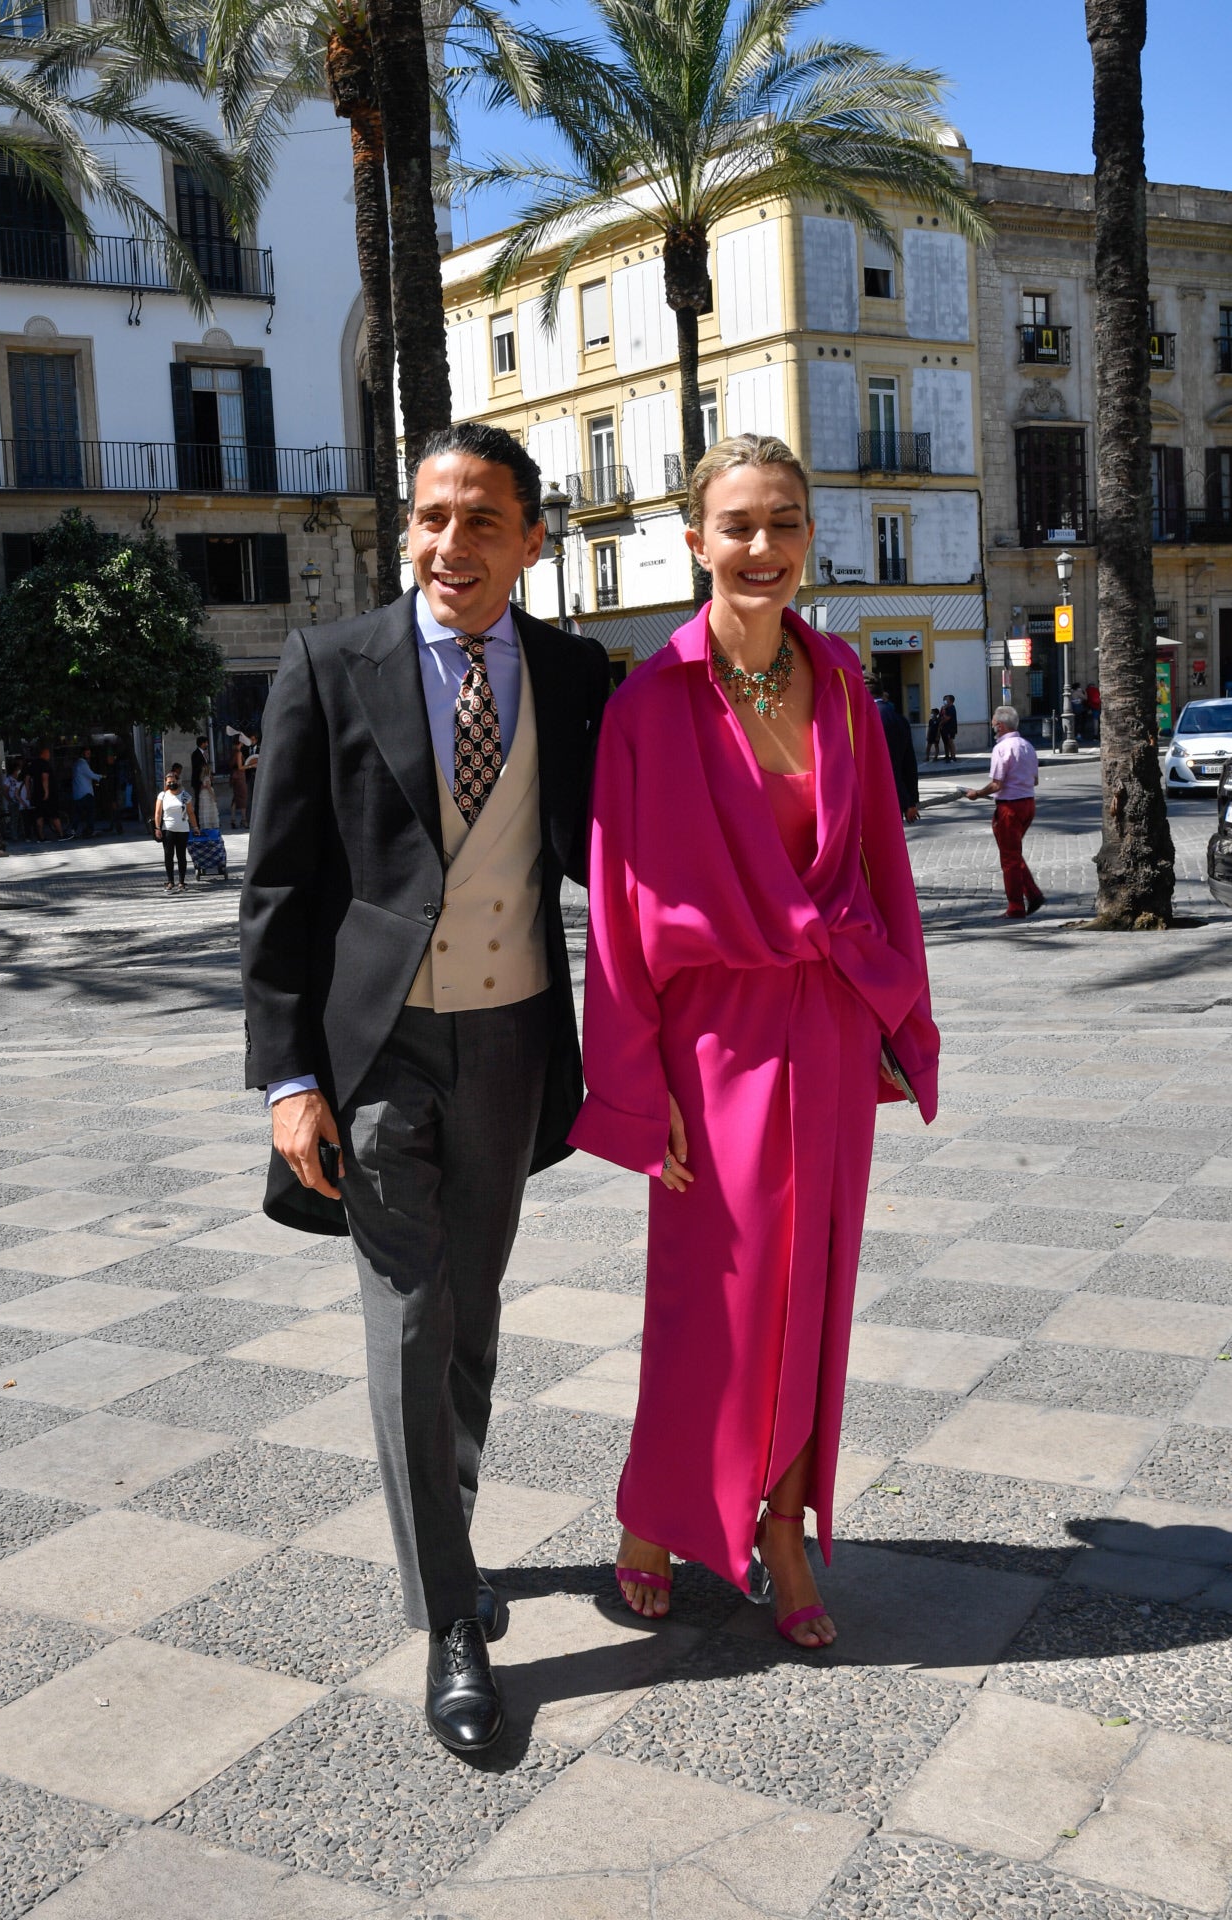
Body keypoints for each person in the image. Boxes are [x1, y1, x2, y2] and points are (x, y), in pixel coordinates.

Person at [240, 421, 611, 1755]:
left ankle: (441, 1528)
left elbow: (630, 844)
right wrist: (288, 1078)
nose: (449, 544)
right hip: (377, 1052)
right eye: (430, 517)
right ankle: (451, 1617)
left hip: (512, 1042)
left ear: (530, 539)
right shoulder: (327, 663)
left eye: (479, 520)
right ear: (407, 529)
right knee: (408, 1315)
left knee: (472, 1314)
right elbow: (277, 889)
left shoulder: (573, 675)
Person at [570, 434, 938, 1652]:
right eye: (738, 525)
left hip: (824, 1022)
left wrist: (894, 1017)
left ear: (809, 536)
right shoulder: (646, 704)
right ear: (696, 542)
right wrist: (639, 1088)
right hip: (708, 1040)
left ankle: (784, 1523)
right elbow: (617, 916)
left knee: (813, 1287)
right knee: (710, 1297)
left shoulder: (843, 687)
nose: (762, 546)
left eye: (784, 522)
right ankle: (655, 1511)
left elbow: (881, 867)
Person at [966, 705, 1045, 919]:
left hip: (1010, 807)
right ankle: (1032, 893)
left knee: (1009, 857)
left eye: (993, 723)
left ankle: (1016, 906)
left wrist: (977, 793)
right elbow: (1034, 780)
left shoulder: (1001, 748)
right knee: (1013, 852)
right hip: (1028, 803)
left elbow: (996, 784)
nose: (992, 726)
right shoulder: (1027, 746)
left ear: (1000, 725)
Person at [864, 673, 920, 822]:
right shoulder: (900, 719)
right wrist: (910, 801)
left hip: (869, 798)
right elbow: (909, 764)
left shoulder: (863, 718)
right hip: (894, 798)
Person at [154, 768, 198, 891]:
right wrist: (157, 828)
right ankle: (170, 881)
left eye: (173, 781)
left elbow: (191, 812)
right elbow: (158, 813)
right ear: (165, 783)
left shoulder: (185, 795)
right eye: (169, 782)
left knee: (181, 856)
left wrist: (195, 827)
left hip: (183, 829)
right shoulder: (162, 795)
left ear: (178, 781)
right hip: (167, 829)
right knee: (168, 855)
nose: (171, 784)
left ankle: (181, 882)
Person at [30, 746, 68, 840]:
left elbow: (29, 778)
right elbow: (45, 778)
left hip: (37, 792)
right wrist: (46, 792)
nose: (49, 755)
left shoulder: (34, 764)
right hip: (47, 794)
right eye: (48, 753)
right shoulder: (44, 764)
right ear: (43, 753)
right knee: (54, 814)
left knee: (39, 815)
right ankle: (61, 834)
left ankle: (41, 837)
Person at [71, 747, 102, 838]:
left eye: (89, 753)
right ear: (83, 754)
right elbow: (91, 775)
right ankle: (89, 830)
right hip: (85, 792)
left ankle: (73, 829)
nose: (89, 755)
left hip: (78, 793)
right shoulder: (83, 764)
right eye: (87, 753)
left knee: (78, 812)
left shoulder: (76, 764)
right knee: (90, 812)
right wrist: (100, 776)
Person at [228, 736, 249, 829]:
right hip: (240, 777)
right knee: (243, 797)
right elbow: (240, 767)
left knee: (235, 799)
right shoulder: (238, 753)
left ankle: (233, 820)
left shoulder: (232, 752)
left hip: (234, 777)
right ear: (240, 743)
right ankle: (244, 820)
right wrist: (251, 765)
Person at [243, 732, 260, 826]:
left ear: (256, 740)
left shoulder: (260, 749)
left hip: (258, 777)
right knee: (249, 798)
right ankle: (249, 820)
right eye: (250, 739)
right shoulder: (245, 750)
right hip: (248, 777)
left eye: (253, 739)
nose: (252, 741)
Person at [939, 692, 959, 761]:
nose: (945, 701)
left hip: (951, 728)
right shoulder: (945, 708)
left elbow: (947, 718)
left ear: (950, 701)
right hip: (945, 728)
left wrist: (941, 723)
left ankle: (953, 757)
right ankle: (947, 756)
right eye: (944, 699)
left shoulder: (951, 708)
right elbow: (941, 717)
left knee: (950, 742)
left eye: (946, 699)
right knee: (946, 742)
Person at [190, 735, 209, 799]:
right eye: (206, 743)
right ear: (202, 743)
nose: (207, 744)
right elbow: (197, 767)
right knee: (199, 799)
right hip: (198, 781)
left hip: (205, 780)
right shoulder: (196, 754)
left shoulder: (204, 753)